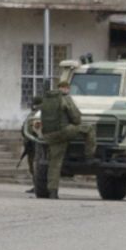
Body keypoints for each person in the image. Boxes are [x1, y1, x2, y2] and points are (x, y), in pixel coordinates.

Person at [37, 69, 87, 198]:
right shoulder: (66, 99)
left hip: (49, 135)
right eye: (66, 87)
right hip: (64, 132)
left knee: (54, 163)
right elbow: (76, 118)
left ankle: (52, 192)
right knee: (89, 130)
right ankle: (90, 154)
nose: (66, 89)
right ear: (66, 88)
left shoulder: (48, 98)